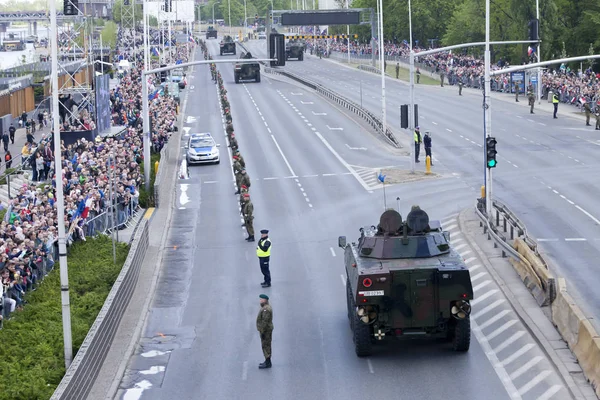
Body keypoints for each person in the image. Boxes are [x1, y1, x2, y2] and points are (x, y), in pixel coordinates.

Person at [256, 294, 273, 369]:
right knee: (265, 345)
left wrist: (262, 331)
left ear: (265, 300)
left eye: (261, 299)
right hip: (265, 330)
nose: (260, 301)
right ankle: (267, 360)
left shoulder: (266, 309)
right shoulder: (265, 308)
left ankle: (268, 361)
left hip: (266, 330)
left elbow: (265, 322)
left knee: (266, 345)